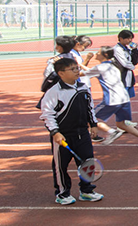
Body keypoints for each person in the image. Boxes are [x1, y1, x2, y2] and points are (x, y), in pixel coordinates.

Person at [41, 57, 104, 204]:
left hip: (82, 133)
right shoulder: (53, 92)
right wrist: (55, 132)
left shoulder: (83, 87)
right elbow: (47, 114)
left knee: (87, 162)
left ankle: (86, 190)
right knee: (61, 167)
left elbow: (90, 108)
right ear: (61, 73)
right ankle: (62, 194)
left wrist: (93, 124)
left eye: (77, 68)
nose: (78, 71)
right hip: (63, 135)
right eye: (73, 69)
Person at [88, 46, 138, 148]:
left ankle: (111, 132)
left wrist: (83, 61)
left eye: (98, 52)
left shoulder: (99, 68)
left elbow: (79, 74)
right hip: (124, 98)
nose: (96, 54)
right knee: (121, 124)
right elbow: (91, 71)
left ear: (105, 55)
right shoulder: (114, 66)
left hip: (112, 100)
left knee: (90, 119)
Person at [113, 30, 138, 98]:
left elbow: (134, 61)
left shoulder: (126, 49)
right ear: (121, 38)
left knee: (127, 98)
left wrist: (135, 50)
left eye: (131, 38)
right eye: (128, 38)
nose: (130, 40)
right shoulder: (117, 49)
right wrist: (132, 67)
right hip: (122, 77)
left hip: (128, 77)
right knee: (122, 98)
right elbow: (125, 63)